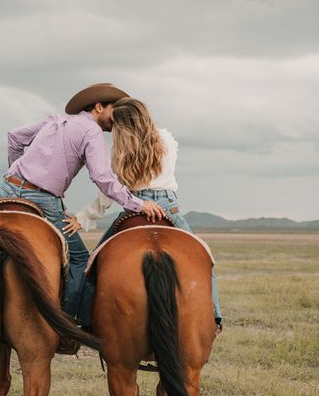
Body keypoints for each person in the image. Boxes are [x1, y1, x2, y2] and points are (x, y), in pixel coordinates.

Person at [0, 84, 164, 338]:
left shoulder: (55, 120)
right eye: (113, 110)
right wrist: (138, 204)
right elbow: (103, 178)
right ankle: (67, 323)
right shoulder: (92, 132)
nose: (115, 118)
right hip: (44, 199)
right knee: (80, 258)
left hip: (7, 187)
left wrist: (17, 171)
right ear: (98, 107)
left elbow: (14, 138)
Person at [64, 97, 223, 332]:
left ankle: (85, 321)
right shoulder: (167, 139)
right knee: (203, 260)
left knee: (93, 265)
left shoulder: (119, 151)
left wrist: (84, 217)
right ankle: (214, 318)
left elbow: (110, 193)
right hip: (169, 208)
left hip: (135, 206)